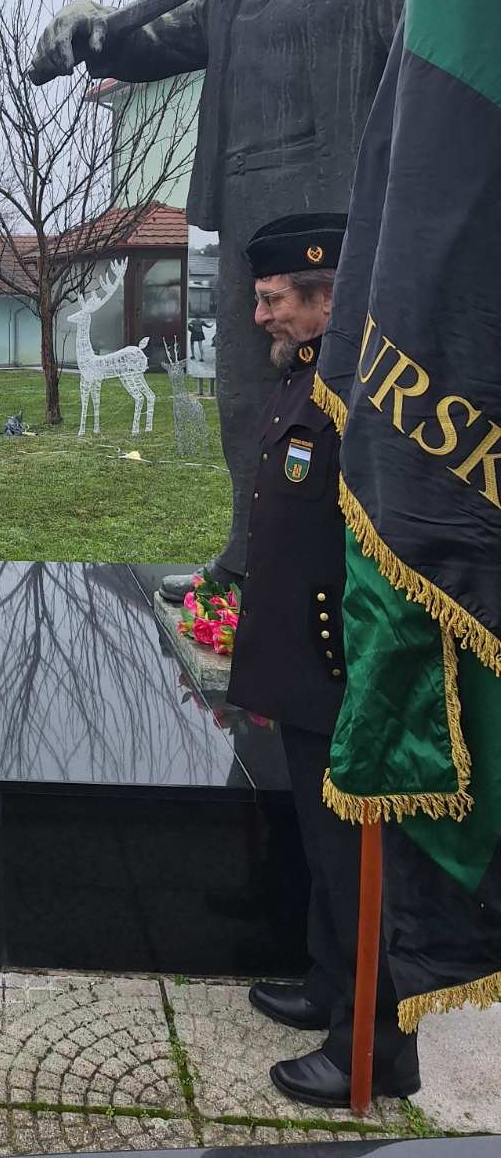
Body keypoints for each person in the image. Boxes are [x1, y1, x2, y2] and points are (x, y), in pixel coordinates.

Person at [31, 0, 409, 598]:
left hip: (340, 224)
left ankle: (361, 572)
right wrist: (88, 14)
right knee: (244, 397)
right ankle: (248, 552)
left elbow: (428, 104)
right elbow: (142, 46)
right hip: (242, 215)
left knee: (346, 400)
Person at [225, 214, 420, 1108]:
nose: (260, 316)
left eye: (273, 301)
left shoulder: (365, 390)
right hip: (305, 670)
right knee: (321, 844)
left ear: (324, 296)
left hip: (345, 671)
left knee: (355, 863)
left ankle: (373, 1049)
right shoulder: (309, 378)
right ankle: (326, 985)